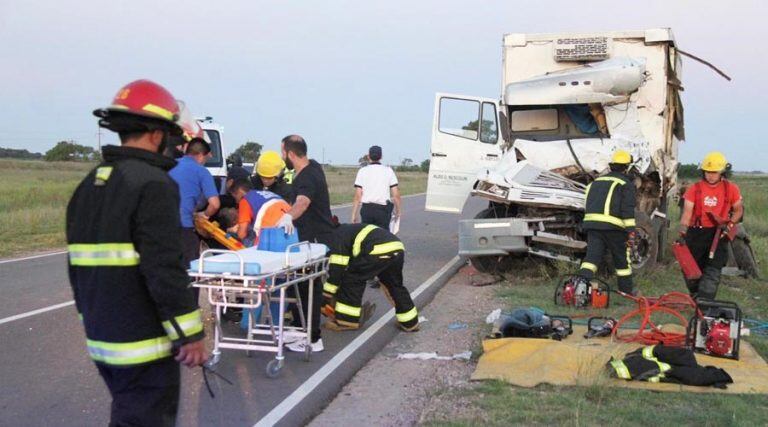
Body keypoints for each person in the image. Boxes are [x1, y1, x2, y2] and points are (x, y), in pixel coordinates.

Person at [66, 80, 206, 426]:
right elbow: (164, 268)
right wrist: (191, 334)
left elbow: (77, 268)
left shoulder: (91, 183)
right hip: (142, 342)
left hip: (103, 339)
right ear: (157, 135)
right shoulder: (154, 184)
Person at [276, 135, 336, 353]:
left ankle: (312, 339)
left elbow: (303, 202)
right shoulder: (313, 167)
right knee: (301, 287)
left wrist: (288, 217)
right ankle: (302, 330)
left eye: (283, 152)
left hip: (315, 241)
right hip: (312, 240)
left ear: (290, 154)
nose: (283, 156)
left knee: (309, 289)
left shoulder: (306, 177)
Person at [321, 223, 419, 332]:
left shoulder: (337, 237)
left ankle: (347, 321)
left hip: (376, 250)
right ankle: (410, 322)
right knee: (394, 285)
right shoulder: (350, 229)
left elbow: (337, 267)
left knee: (352, 279)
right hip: (397, 247)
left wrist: (327, 293)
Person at [679, 152, 743, 300]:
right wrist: (682, 232)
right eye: (708, 172)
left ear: (721, 172)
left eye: (714, 172)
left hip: (718, 234)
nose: (710, 175)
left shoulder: (731, 189)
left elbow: (738, 210)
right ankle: (696, 295)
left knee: (713, 271)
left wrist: (730, 224)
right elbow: (687, 213)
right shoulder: (694, 189)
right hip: (696, 234)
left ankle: (705, 303)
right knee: (691, 270)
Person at [577, 150, 637, 295]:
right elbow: (627, 211)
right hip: (614, 229)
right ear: (627, 167)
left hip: (592, 227)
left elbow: (586, 204)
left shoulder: (594, 183)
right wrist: (631, 232)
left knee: (591, 260)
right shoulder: (625, 184)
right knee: (622, 261)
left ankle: (579, 289)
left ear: (611, 166)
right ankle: (626, 292)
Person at [169, 139, 221, 270]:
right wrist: (204, 215)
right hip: (183, 228)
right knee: (190, 272)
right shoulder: (201, 171)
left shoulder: (169, 165)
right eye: (206, 159)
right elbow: (215, 204)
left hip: (160, 225)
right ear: (201, 155)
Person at [351, 145, 401, 229]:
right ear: (381, 156)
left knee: (367, 237)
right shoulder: (388, 171)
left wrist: (354, 214)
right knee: (383, 237)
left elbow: (358, 195)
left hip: (367, 210)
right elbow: (396, 195)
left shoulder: (362, 171)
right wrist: (398, 212)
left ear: (368, 156)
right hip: (383, 210)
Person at [230, 179, 292, 247]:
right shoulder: (265, 194)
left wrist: (231, 231)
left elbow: (241, 234)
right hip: (289, 230)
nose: (236, 201)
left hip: (268, 235)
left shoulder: (245, 200)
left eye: (234, 197)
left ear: (239, 192)